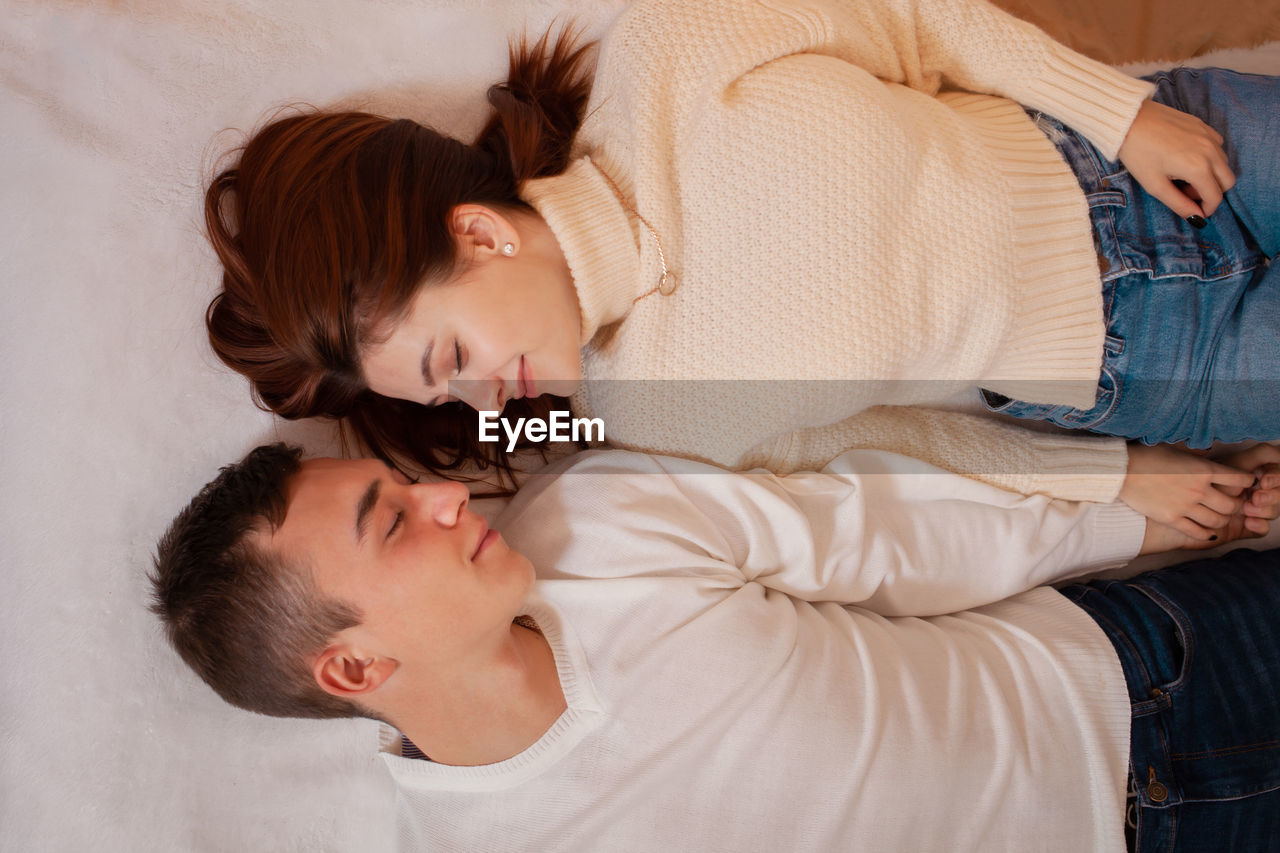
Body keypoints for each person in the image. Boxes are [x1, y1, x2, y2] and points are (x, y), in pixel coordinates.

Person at [202, 0, 1280, 537]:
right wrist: (1117, 479)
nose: (487, 402)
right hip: (1155, 369)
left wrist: (1119, 109)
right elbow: (896, 441)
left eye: (452, 357)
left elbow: (913, 23)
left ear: (479, 234)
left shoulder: (663, 55)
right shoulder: (650, 412)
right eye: (446, 394)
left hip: (1139, 156)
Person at [152, 443, 1280, 852]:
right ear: (351, 668)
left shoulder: (597, 517)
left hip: (1143, 674)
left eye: (406, 484)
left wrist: (1141, 507)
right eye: (393, 521)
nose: (447, 494)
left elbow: (889, 534)